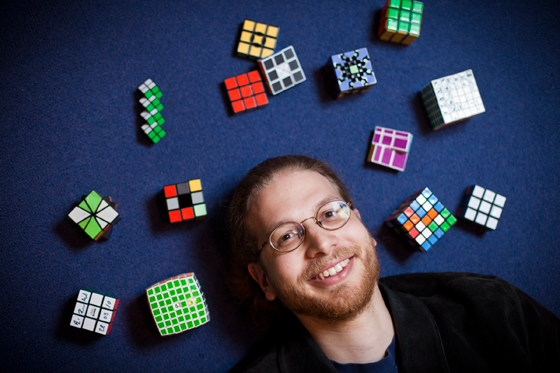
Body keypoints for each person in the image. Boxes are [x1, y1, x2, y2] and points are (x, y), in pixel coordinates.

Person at [227, 155, 560, 373]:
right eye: (286, 236)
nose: (322, 243)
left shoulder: (495, 311)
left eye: (330, 214)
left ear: (362, 227)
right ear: (264, 280)